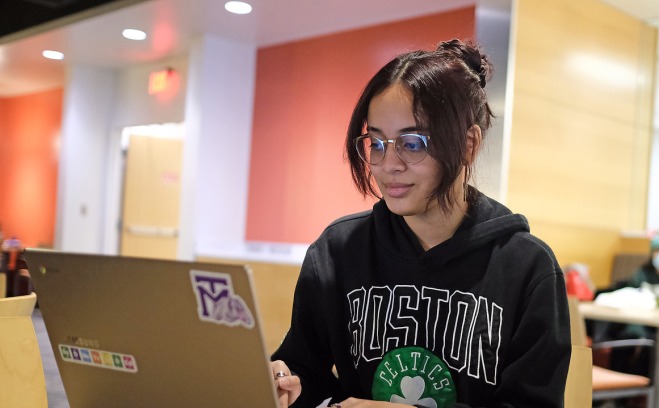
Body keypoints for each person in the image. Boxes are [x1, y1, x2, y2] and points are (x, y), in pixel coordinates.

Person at [270, 39, 571, 408]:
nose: (388, 164)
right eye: (377, 143)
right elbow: (304, 370)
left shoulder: (527, 267)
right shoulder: (337, 250)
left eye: (412, 143)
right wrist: (284, 381)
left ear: (468, 145)